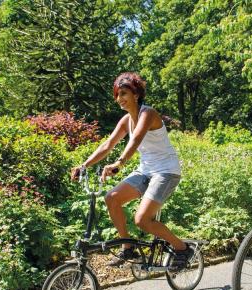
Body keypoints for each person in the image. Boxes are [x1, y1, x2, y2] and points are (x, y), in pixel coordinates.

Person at [71, 72, 192, 269]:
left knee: (142, 220)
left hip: (166, 171)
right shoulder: (126, 120)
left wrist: (118, 163)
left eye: (124, 93)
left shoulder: (148, 114)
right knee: (112, 198)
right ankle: (128, 248)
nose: (120, 99)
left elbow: (135, 140)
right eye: (118, 95)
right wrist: (84, 165)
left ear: (136, 95)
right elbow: (108, 144)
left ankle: (182, 248)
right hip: (145, 170)